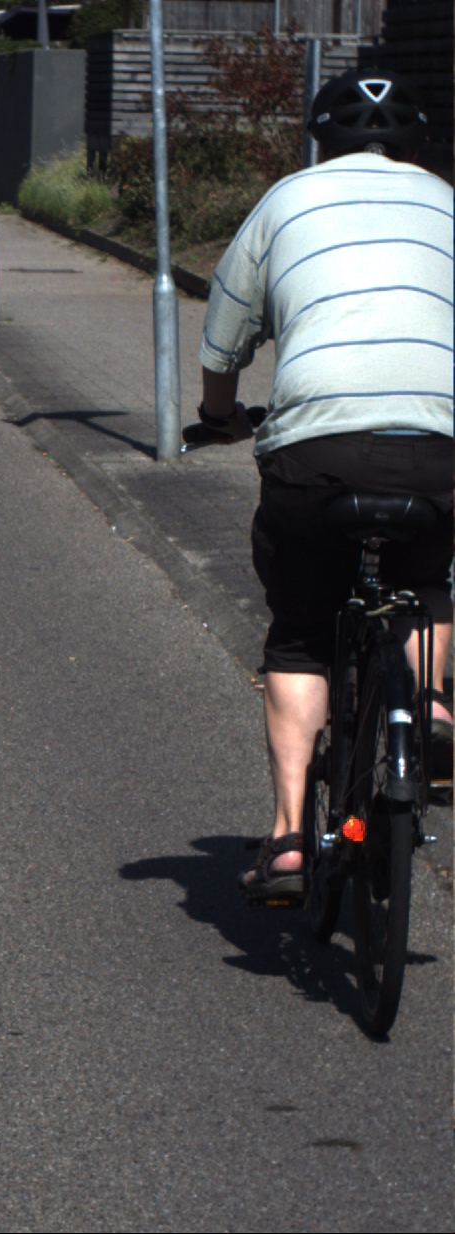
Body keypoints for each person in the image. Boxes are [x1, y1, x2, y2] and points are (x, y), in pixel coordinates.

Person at [194, 70, 454, 900]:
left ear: (322, 142)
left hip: (317, 449)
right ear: (416, 145)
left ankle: (287, 842)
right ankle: (432, 707)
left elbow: (224, 334)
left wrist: (219, 415)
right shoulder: (448, 204)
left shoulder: (286, 201)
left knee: (303, 631)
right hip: (439, 447)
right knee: (428, 581)